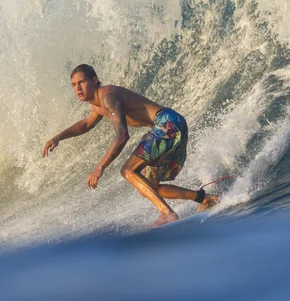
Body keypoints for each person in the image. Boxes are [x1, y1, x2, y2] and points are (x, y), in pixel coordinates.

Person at [43, 64, 219, 228]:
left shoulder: (108, 96)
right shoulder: (97, 106)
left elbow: (122, 136)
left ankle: (167, 213)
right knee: (150, 188)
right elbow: (86, 124)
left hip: (167, 123)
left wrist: (100, 167)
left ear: (95, 80)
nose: (78, 88)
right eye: (74, 85)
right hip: (172, 124)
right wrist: (58, 137)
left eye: (81, 82)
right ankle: (205, 199)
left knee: (128, 171)